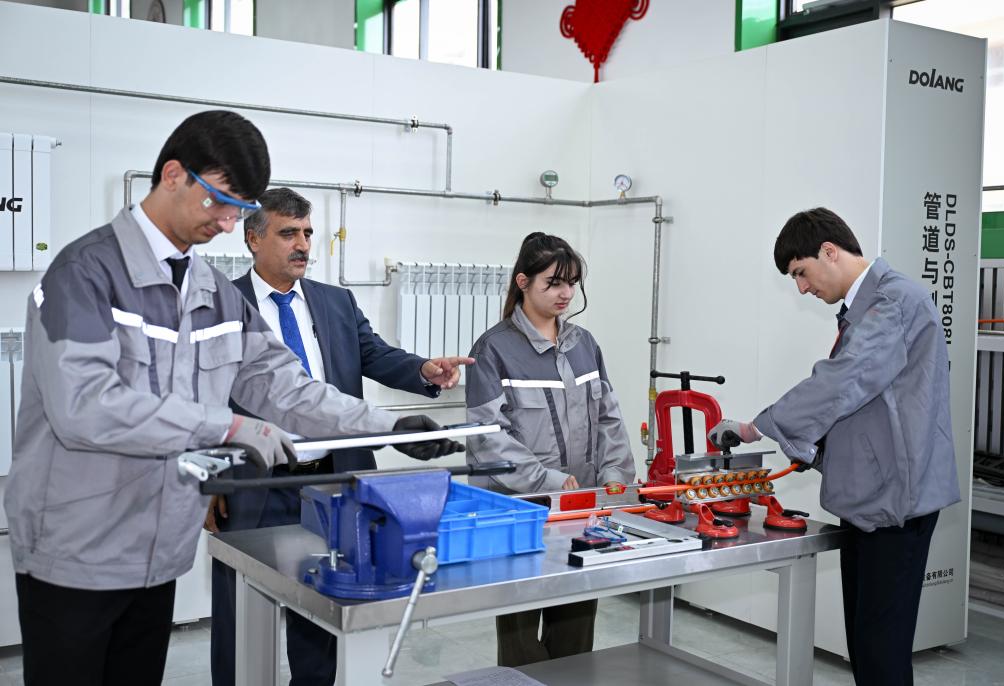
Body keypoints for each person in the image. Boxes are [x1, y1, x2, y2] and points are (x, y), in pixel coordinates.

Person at [2, 110, 459, 686]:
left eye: (238, 210)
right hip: (76, 550)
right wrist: (227, 428)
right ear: (173, 175)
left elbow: (283, 385)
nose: (225, 223)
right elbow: (84, 407)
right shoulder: (85, 273)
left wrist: (386, 427)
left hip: (157, 552)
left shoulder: (212, 292)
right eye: (220, 202)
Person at [208, 187, 473, 686]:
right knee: (239, 614)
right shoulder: (223, 304)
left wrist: (423, 369)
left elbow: (373, 354)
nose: (303, 244)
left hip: (332, 482)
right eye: (289, 233)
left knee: (321, 608)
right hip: (253, 482)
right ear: (253, 239)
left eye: (308, 233)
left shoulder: (335, 301)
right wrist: (208, 479)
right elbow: (203, 394)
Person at [707, 207, 960, 686]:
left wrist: (755, 428)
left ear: (829, 251)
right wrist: (816, 449)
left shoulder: (894, 302)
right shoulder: (868, 308)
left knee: (881, 654)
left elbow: (843, 382)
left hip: (895, 504)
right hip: (871, 499)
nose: (802, 288)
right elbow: (869, 406)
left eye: (800, 273)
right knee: (866, 646)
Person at [465, 232, 635, 667]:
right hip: (522, 513)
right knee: (521, 642)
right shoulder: (493, 349)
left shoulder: (584, 345)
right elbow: (488, 439)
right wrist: (550, 482)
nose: (566, 293)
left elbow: (610, 420)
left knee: (576, 635)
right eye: (553, 283)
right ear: (523, 282)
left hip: (582, 511)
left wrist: (615, 478)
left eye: (572, 283)